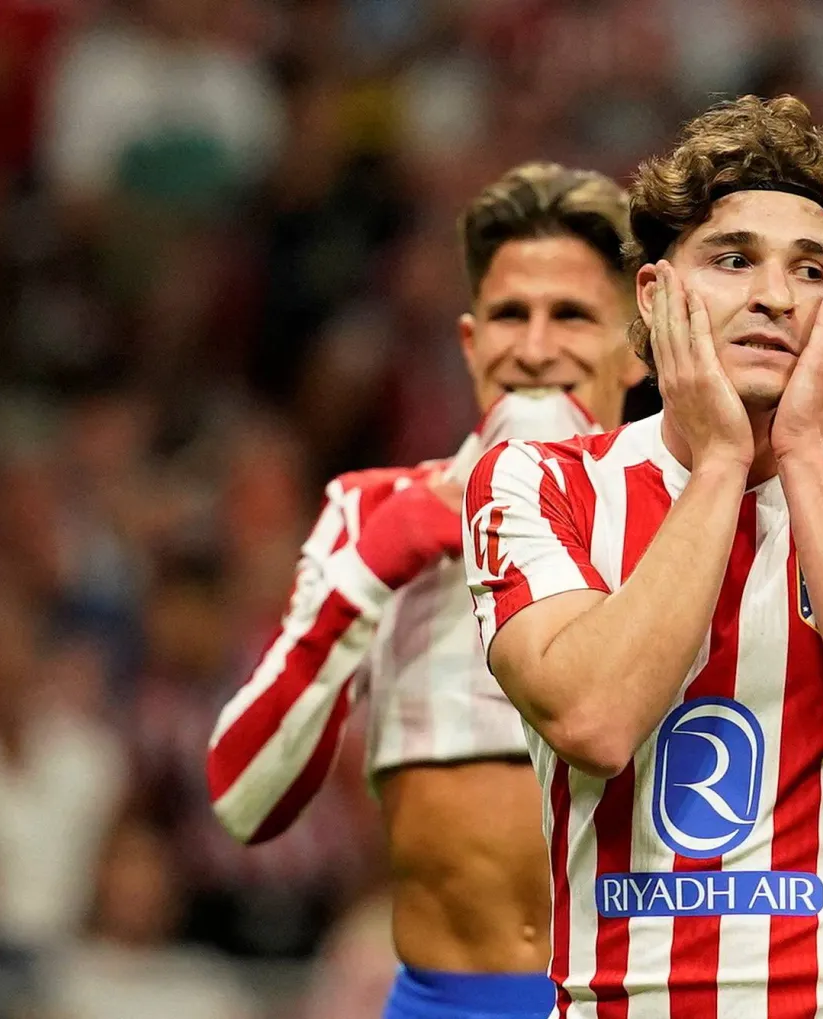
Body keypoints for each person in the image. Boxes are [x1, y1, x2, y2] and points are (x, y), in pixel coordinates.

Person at [463, 96, 823, 1017]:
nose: (775, 296)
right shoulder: (535, 484)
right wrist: (720, 463)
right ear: (653, 295)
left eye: (811, 270)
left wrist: (801, 453)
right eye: (733, 259)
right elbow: (594, 718)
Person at [206, 162, 643, 1019]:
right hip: (446, 1001)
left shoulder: (691, 517)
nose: (535, 346)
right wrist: (369, 572)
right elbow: (242, 800)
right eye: (511, 315)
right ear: (470, 344)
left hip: (647, 996)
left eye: (571, 315)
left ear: (636, 347)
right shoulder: (369, 512)